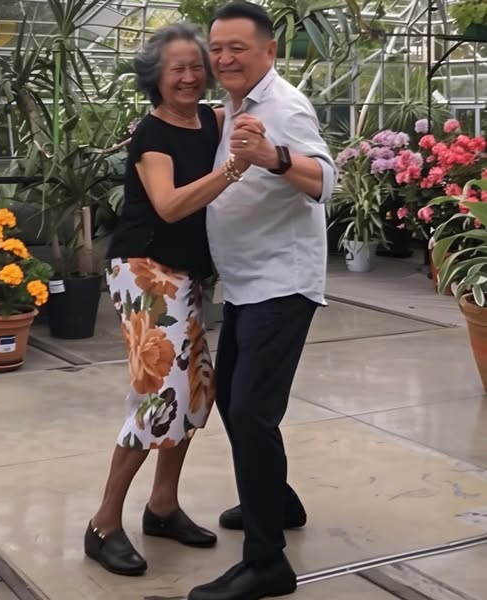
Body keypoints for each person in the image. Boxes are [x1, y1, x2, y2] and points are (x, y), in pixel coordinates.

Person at [84, 22, 263, 577]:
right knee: (159, 394)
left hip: (184, 272)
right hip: (144, 271)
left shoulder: (211, 119)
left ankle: (162, 507)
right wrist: (234, 168)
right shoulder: (152, 133)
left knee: (194, 392)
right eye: (176, 69)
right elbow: (167, 205)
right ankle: (103, 524)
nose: (189, 76)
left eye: (195, 66)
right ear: (155, 79)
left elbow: (252, 111)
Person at [188, 3, 337, 599]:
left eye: (238, 48)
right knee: (233, 401)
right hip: (248, 283)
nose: (224, 58)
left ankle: (267, 562)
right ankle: (278, 501)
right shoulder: (233, 103)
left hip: (282, 283)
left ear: (269, 52)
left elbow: (325, 180)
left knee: (251, 411)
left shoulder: (284, 106)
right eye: (216, 48)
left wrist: (274, 157)